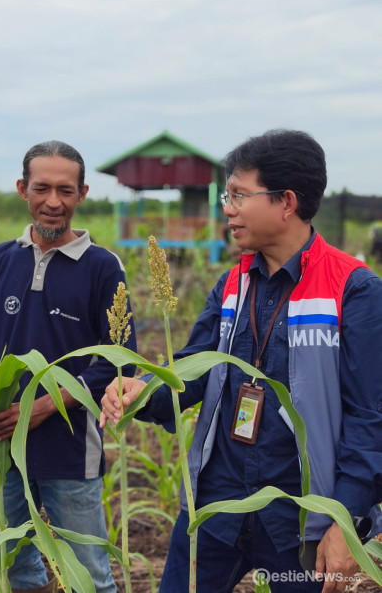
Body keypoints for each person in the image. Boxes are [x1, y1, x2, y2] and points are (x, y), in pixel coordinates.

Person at [100, 130, 382, 593]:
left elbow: (370, 418)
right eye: (225, 195)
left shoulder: (353, 289)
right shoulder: (232, 284)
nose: (226, 208)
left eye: (238, 195)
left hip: (300, 519)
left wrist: (345, 522)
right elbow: (194, 367)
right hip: (215, 506)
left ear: (286, 201)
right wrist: (142, 389)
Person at [0, 140, 136, 593]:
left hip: (72, 452)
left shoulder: (102, 268)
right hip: (0, 449)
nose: (54, 202)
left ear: (83, 194)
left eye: (66, 191)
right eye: (43, 188)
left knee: (90, 573)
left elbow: (119, 361)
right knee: (16, 570)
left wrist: (48, 404)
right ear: (22, 189)